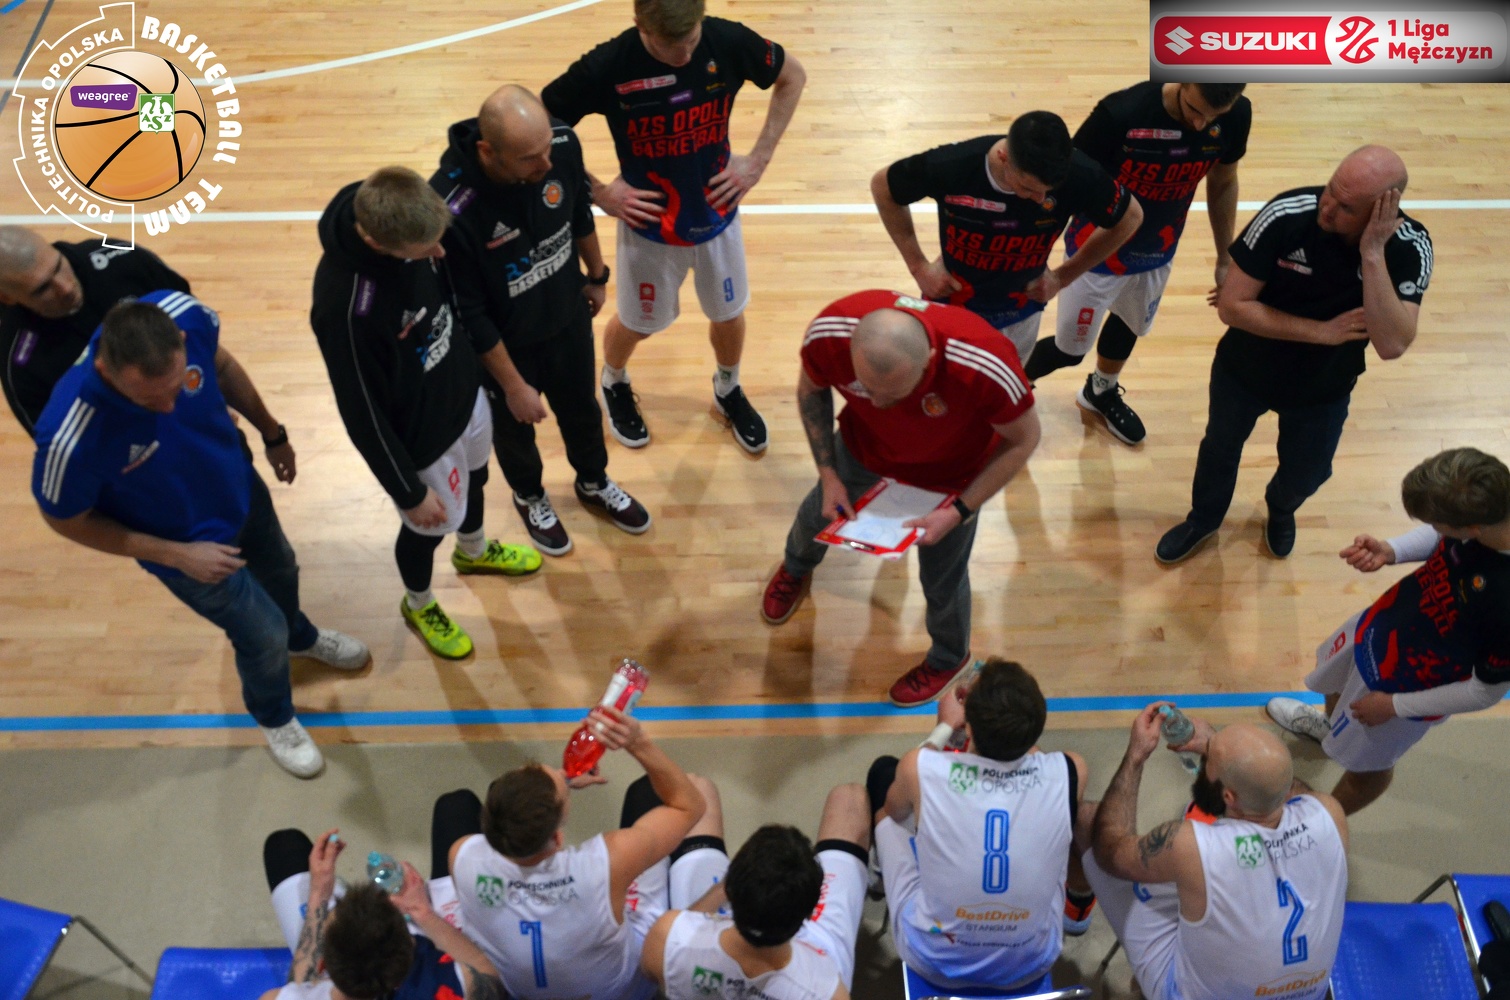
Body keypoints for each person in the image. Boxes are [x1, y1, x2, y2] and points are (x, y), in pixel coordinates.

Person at [30, 295, 368, 777]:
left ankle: (301, 638)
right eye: (149, 401)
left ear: (183, 341)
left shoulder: (185, 315)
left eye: (176, 388)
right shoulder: (69, 437)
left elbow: (222, 366)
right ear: (105, 371)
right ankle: (274, 716)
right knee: (261, 634)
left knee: (283, 570)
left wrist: (272, 433)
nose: (168, 407)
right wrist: (175, 555)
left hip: (241, 493)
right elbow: (65, 520)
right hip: (188, 552)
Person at [542, 0, 807, 453]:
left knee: (729, 314)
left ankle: (727, 387)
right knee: (638, 323)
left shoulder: (727, 40)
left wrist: (760, 158)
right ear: (639, 24)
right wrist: (598, 191)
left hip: (718, 212)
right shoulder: (609, 64)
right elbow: (538, 123)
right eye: (670, 46)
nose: (684, 56)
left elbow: (793, 75)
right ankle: (613, 379)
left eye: (691, 40)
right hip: (648, 225)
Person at [761, 291, 1040, 707]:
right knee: (815, 514)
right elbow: (810, 390)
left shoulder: (985, 363)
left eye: (893, 394)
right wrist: (828, 474)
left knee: (943, 577)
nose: (877, 402)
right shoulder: (831, 334)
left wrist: (960, 510)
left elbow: (1025, 439)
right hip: (863, 451)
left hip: (952, 476)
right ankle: (796, 568)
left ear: (931, 360)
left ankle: (949, 657)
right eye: (866, 389)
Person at [1156, 145, 1433, 563]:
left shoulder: (1409, 246)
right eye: (1330, 190)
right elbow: (1232, 307)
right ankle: (1204, 519)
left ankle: (1280, 508)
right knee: (1219, 449)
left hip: (1324, 387)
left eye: (1346, 207)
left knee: (1307, 474)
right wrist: (1322, 332)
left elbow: (1392, 344)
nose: (1327, 207)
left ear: (1382, 211)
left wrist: (1373, 253)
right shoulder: (1287, 213)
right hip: (1244, 370)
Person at [311, 166, 542, 661]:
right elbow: (360, 413)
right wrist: (408, 492)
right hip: (422, 440)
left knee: (477, 480)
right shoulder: (345, 308)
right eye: (425, 250)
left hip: (464, 396)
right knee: (426, 528)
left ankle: (474, 550)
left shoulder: (408, 217)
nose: (439, 254)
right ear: (375, 242)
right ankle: (418, 603)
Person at [432, 84, 649, 557]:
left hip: (567, 320)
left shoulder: (560, 145)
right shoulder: (450, 208)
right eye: (530, 158)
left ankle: (593, 481)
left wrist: (597, 276)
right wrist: (513, 386)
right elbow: (468, 313)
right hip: (505, 347)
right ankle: (530, 496)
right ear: (487, 151)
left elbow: (578, 212)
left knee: (583, 411)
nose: (547, 164)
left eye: (547, 147)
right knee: (514, 432)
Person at [1267, 447, 1510, 814]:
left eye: (1438, 523)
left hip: (1409, 689)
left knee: (1368, 769)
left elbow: (1484, 692)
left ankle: (1322, 825)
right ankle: (1331, 730)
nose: (1434, 528)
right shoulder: (1488, 515)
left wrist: (1394, 707)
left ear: (1473, 530)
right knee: (1337, 687)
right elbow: (1441, 536)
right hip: (1377, 631)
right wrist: (1391, 550)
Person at [1022, 82, 1251, 446]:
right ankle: (1012, 388)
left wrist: (1225, 258)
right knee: (1069, 349)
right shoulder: (1119, 115)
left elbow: (1223, 180)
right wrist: (1034, 259)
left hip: (1159, 249)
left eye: (1213, 117)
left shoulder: (1237, 114)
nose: (1200, 124)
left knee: (1129, 323)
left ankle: (1101, 390)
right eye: (1194, 109)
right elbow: (1065, 186)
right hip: (1094, 254)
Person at [446, 705, 715, 999]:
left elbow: (510, 821)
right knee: (646, 792)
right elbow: (689, 806)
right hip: (621, 991)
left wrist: (559, 787)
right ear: (557, 838)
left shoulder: (462, 855)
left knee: (454, 805)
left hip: (523, 992)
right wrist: (638, 742)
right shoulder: (607, 862)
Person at [1086, 706, 1349, 1000]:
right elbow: (1280, 786)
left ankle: (1076, 914)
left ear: (1228, 796)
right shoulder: (1330, 813)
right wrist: (1220, 748)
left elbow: (1110, 851)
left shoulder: (1188, 844)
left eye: (1209, 760)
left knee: (1089, 819)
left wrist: (1136, 756)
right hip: (1306, 995)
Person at [866, 659, 1092, 992]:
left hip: (933, 961)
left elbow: (896, 808)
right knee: (1071, 815)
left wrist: (944, 727)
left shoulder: (920, 766)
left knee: (885, 792)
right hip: (1031, 962)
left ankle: (878, 875)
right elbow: (1031, 759)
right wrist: (1003, 724)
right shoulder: (1073, 769)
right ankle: (1079, 908)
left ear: (969, 728)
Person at [871, 110, 1141, 365]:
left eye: (1048, 190)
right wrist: (918, 266)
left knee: (1004, 388)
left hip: (1022, 313)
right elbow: (883, 185)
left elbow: (1130, 217)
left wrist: (1063, 278)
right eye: (1028, 188)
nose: (1040, 199)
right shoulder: (953, 166)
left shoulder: (1079, 173)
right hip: (951, 304)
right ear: (1003, 158)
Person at [642, 782, 871, 1000]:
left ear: (731, 888)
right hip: (817, 951)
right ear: (812, 913)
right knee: (850, 796)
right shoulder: (828, 990)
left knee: (697, 786)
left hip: (707, 944)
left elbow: (650, 973)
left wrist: (726, 887)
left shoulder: (666, 938)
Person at [261, 816, 505, 1000]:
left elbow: (296, 990)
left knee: (282, 845)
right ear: (412, 944)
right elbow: (491, 979)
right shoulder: (453, 983)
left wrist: (318, 896)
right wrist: (422, 913)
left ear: (322, 966)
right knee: (456, 809)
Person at [1, 225, 190, 436]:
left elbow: (197, 327)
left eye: (59, 266)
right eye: (42, 288)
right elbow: (60, 442)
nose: (66, 288)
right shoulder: (21, 366)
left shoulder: (123, 260)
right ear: (7, 298)